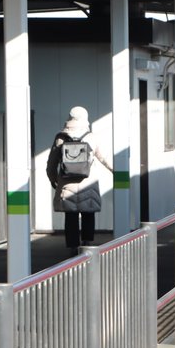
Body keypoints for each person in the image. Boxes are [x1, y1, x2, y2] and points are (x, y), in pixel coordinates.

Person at [46, 106, 113, 250]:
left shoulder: (60, 137)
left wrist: (53, 179)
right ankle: (87, 242)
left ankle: (72, 246)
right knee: (88, 212)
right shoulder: (91, 137)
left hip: (66, 182)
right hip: (87, 182)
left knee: (71, 216)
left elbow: (51, 163)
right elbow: (104, 158)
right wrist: (117, 171)